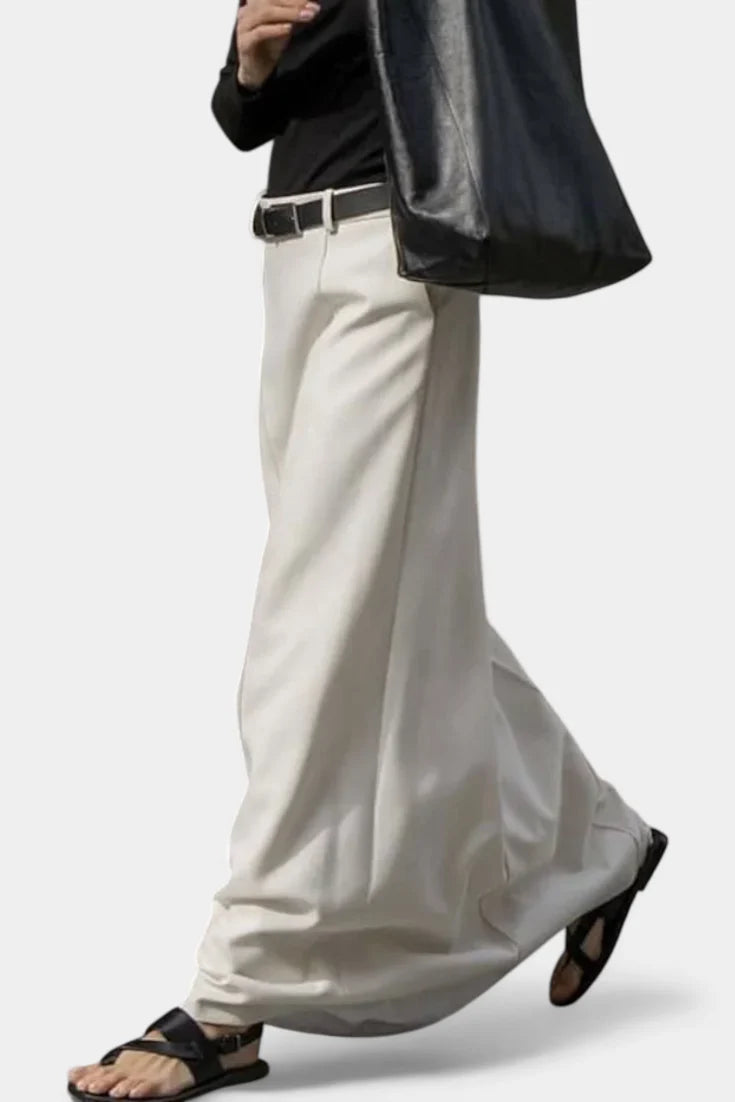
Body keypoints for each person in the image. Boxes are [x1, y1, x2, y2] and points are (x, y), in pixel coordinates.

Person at [67, 2, 667, 1099]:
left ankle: (232, 995)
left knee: (316, 622)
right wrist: (249, 67)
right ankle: (598, 835)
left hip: (400, 258)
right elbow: (245, 121)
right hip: (290, 251)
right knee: (379, 593)